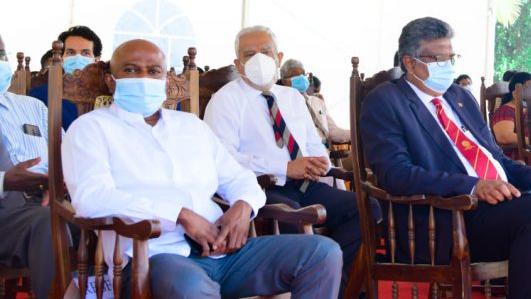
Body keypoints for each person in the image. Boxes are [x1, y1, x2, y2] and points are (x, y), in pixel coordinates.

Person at [63, 39, 341, 298]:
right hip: (155, 257)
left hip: (224, 252)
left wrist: (243, 206)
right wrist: (179, 215)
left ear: (166, 82)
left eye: (154, 71)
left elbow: (238, 177)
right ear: (111, 81)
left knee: (321, 252)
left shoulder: (191, 126)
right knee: (191, 286)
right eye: (131, 70)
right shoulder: (91, 128)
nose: (144, 78)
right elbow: (91, 198)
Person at [360, 17, 531, 299]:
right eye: (439, 58)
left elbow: (496, 159)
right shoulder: (385, 101)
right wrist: (473, 185)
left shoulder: (459, 96)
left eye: (451, 57)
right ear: (410, 62)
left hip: (502, 203)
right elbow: (396, 174)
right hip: (448, 215)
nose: (448, 66)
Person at [204, 26, 363, 294]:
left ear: (278, 58)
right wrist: (285, 168)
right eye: (249, 54)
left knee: (365, 208)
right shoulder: (224, 101)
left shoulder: (292, 97)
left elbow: (313, 143)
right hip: (261, 189)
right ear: (238, 63)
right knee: (293, 215)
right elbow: (223, 159)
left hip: (306, 184)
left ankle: (336, 287)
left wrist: (320, 162)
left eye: (266, 52)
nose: (258, 59)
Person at [0, 36, 59, 299]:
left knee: (104, 220)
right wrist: (5, 181)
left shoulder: (32, 107)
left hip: (48, 201)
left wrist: (59, 181)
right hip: (6, 211)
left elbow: (65, 154)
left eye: (1, 54)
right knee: (47, 223)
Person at [28, 25, 104, 130]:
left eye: (85, 53)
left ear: (97, 60)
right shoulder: (42, 95)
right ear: (62, 58)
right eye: (71, 52)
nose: (78, 58)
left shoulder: (109, 94)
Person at [279, 59, 351, 145]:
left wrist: (355, 133)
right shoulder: (280, 104)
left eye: (303, 74)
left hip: (324, 150)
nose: (301, 77)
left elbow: (333, 131)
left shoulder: (318, 102)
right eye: (295, 74)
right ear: (284, 81)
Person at [489, 72, 531, 147]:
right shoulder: (505, 111)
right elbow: (504, 137)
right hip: (518, 153)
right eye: (530, 87)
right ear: (515, 91)